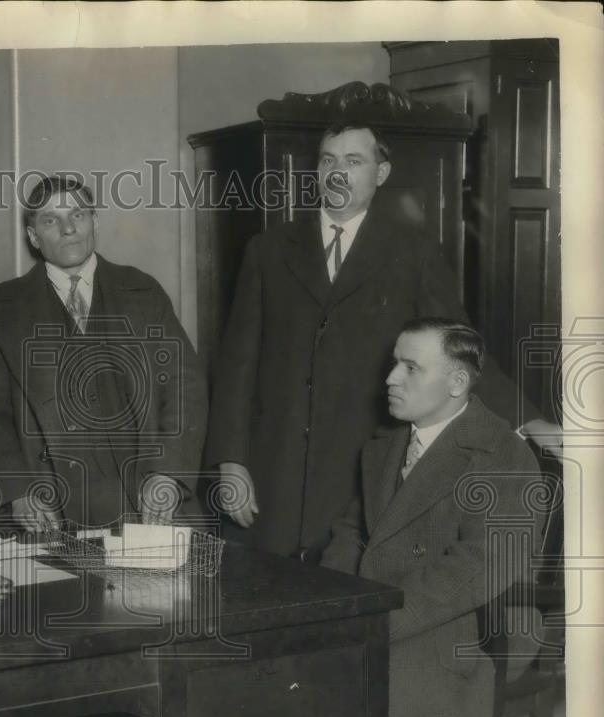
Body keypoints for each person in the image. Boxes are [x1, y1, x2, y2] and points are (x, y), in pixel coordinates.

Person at [205, 122, 561, 559]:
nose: (338, 172)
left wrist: (527, 419)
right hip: (271, 471)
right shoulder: (268, 250)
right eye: (328, 160)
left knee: (347, 595)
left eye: (354, 161)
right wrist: (230, 460)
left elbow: (460, 350)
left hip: (361, 471)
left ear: (382, 173)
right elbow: (236, 364)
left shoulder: (413, 253)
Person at [321, 318, 542, 717]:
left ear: (456, 382)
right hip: (367, 616)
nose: (390, 379)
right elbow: (351, 531)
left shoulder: (502, 454)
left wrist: (372, 622)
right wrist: (334, 605)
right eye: (393, 364)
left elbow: (478, 568)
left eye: (410, 368)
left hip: (450, 631)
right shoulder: (387, 441)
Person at [0, 174, 207, 532]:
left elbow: (184, 388)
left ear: (95, 221)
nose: (68, 229)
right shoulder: (5, 306)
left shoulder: (143, 290)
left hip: (144, 499)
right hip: (49, 508)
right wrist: (17, 492)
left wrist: (169, 475)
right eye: (50, 220)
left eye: (77, 215)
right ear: (33, 236)